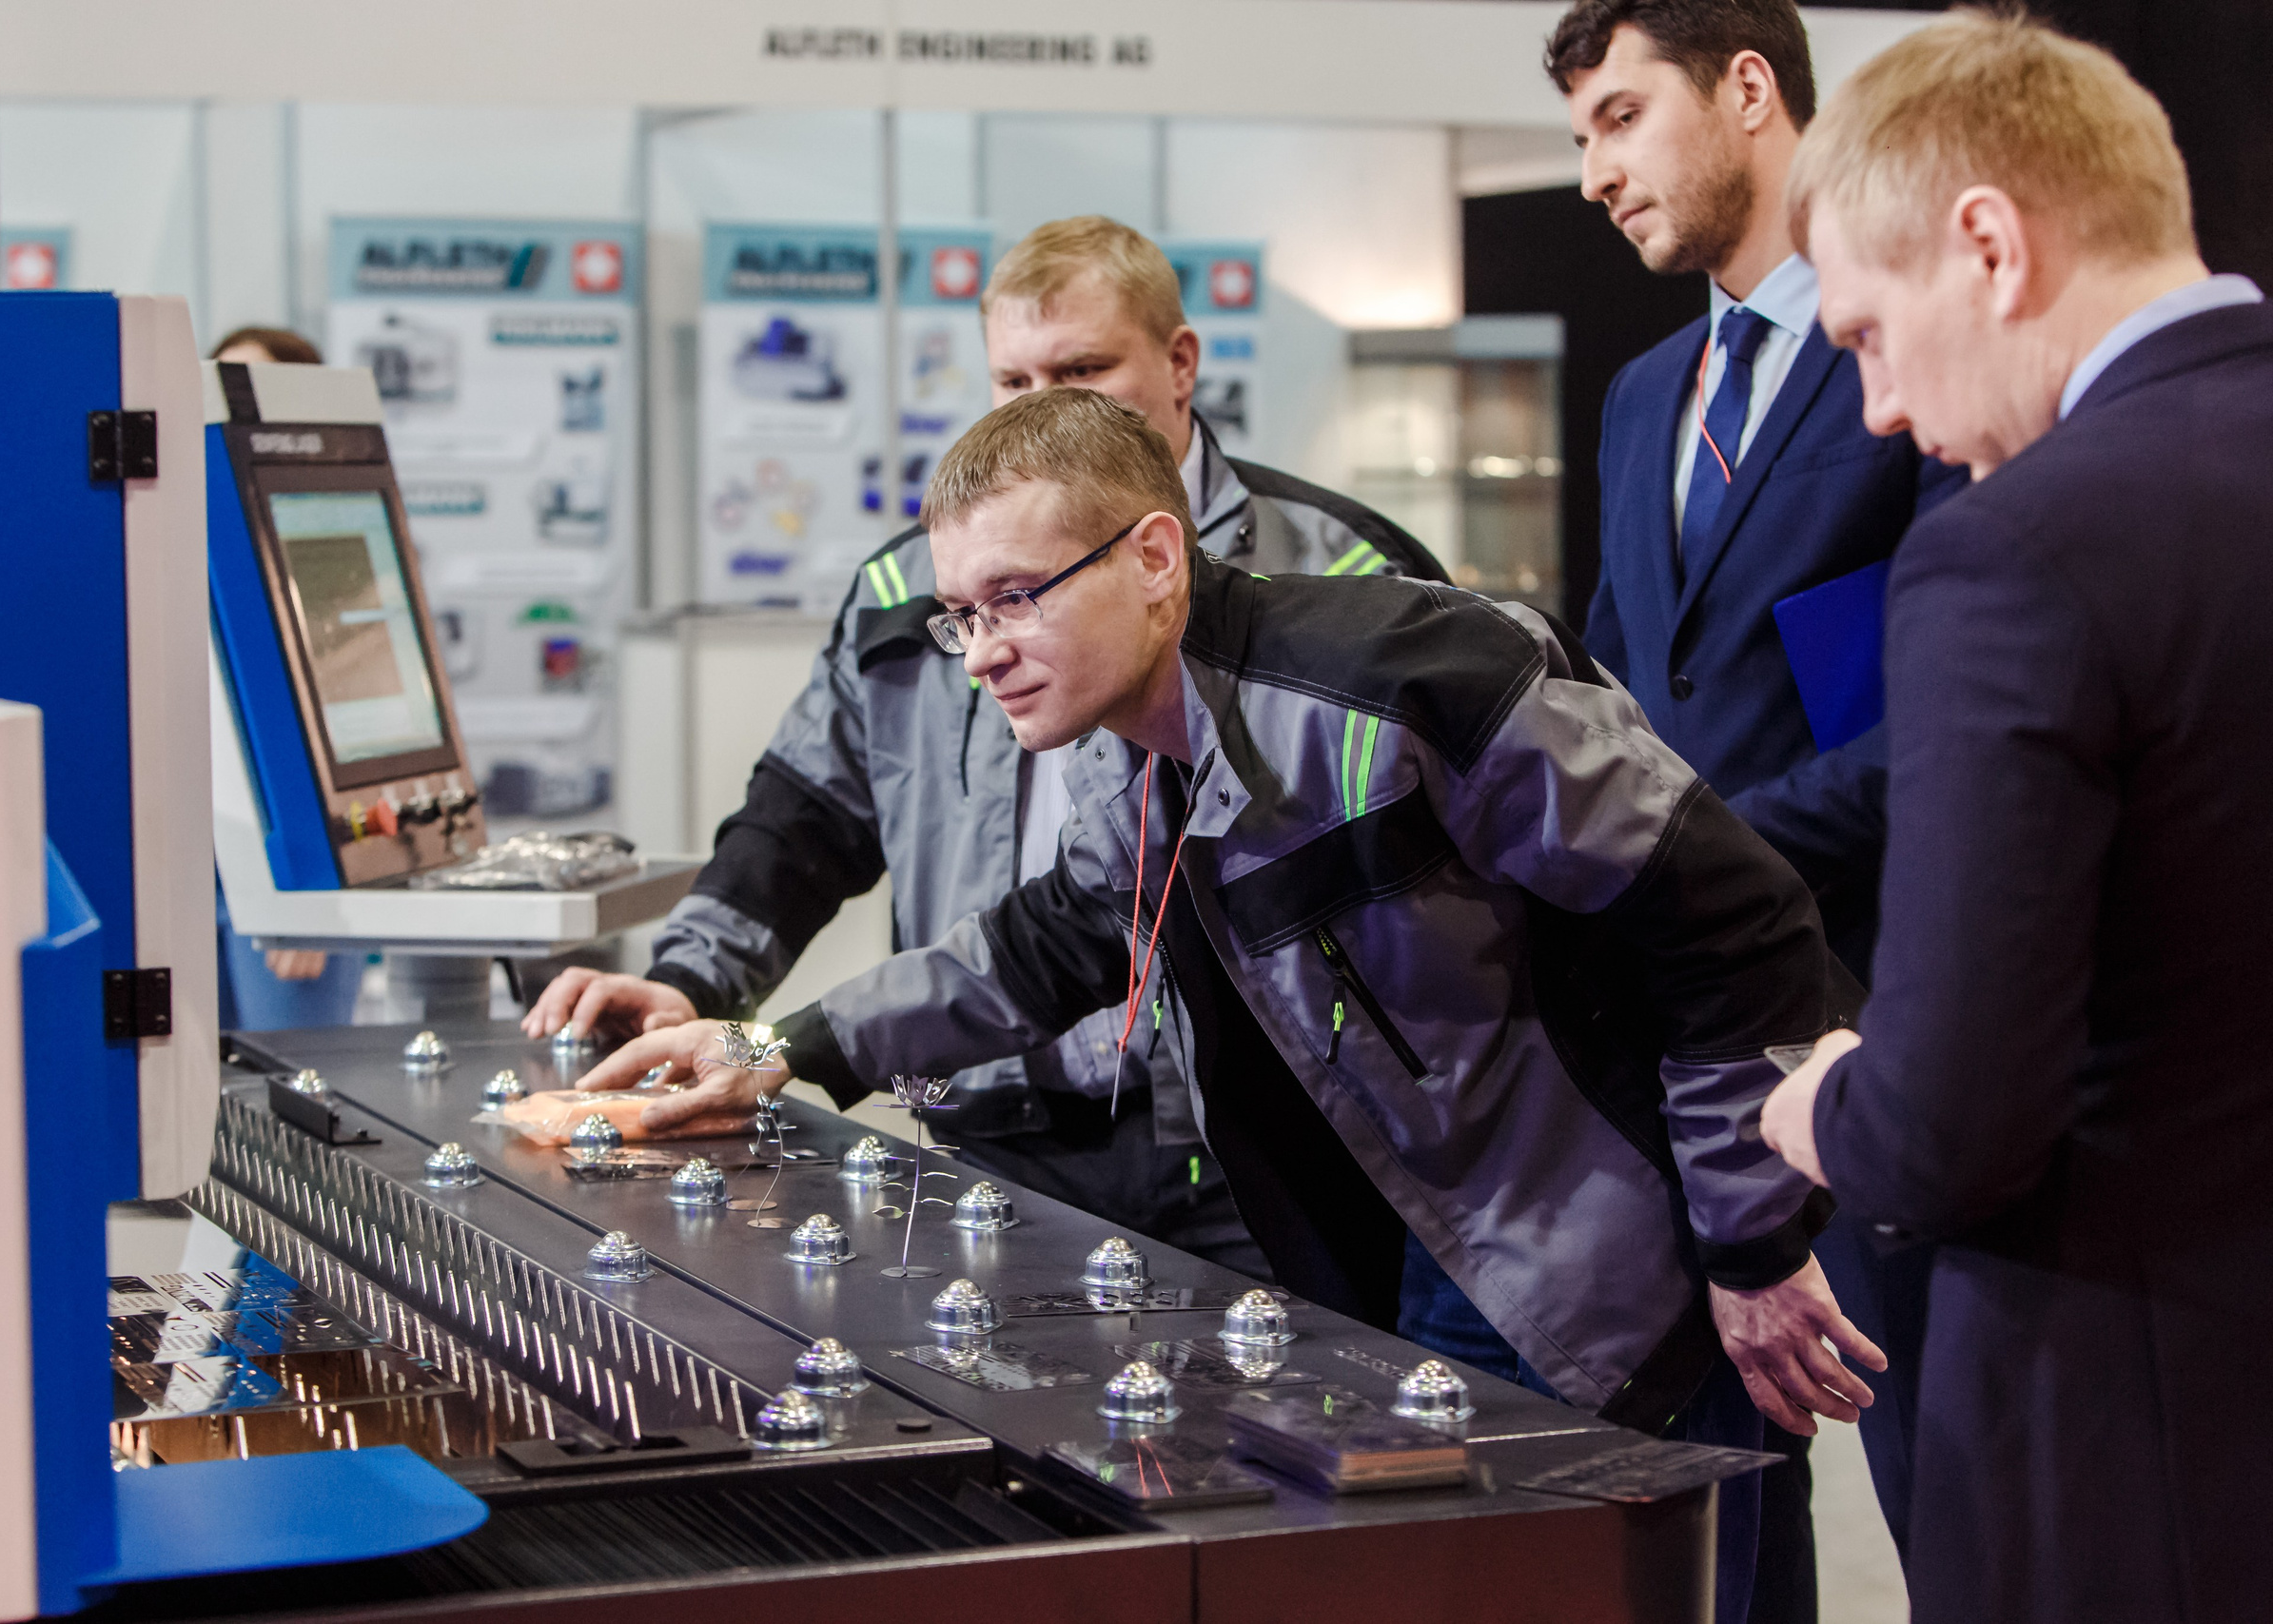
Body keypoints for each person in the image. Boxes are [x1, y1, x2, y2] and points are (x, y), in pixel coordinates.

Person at [571, 389, 1884, 1614]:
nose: (982, 653)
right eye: (962, 613)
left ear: (1155, 556)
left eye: (1017, 597)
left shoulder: (1415, 682)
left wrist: (1750, 1243)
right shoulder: (1125, 750)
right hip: (1437, 1254)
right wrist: (770, 1044)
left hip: (1627, 1266)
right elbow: (1043, 945)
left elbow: (1737, 921)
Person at [523, 217, 1446, 1278]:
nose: (1046, 405)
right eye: (1012, 380)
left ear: (1180, 363)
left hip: (1265, 1146)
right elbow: (807, 818)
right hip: (991, 1116)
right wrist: (696, 988)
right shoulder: (908, 587)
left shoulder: (1343, 569)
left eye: (1082, 368)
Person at [1756, 13, 2273, 1624]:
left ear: (1987, 243)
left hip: (2130, 1434)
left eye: (1866, 336)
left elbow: (1951, 1122)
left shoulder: (2019, 550)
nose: (1883, 411)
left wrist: (1824, 1100)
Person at [1535, 0, 1968, 1595]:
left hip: (1892, 1023)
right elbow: (1611, 685)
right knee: (1724, 1516)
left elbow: (1956, 715)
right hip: (1685, 1058)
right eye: (1581, 132)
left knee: (1955, 1498)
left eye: (1621, 118)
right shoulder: (1648, 391)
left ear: (1747, 90)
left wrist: (1693, 859)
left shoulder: (1908, 346)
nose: (1592, 171)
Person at [209, 323, 365, 1030]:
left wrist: (313, 896)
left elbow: (352, 725)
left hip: (290, 869)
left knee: (294, 1092)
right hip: (193, 861)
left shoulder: (326, 539)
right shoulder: (176, 528)